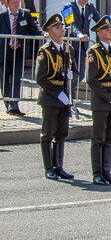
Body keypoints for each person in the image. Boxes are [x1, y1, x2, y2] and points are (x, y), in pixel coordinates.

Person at [35, 14, 74, 180]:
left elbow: (75, 71)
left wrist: (72, 77)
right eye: (57, 27)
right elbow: (41, 78)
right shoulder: (44, 51)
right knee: (47, 134)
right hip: (51, 97)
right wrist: (58, 93)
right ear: (49, 31)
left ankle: (59, 166)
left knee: (61, 133)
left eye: (61, 26)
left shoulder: (68, 49)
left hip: (64, 96)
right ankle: (48, 168)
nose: (61, 29)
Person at [87, 17, 111, 186]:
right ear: (100, 33)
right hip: (102, 99)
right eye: (107, 30)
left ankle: (106, 171)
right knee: (98, 138)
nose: (110, 32)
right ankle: (97, 173)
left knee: (110, 137)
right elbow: (92, 80)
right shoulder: (93, 52)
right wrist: (110, 98)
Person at [0, 0, 42, 115]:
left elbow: (34, 28)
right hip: (4, 52)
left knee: (16, 78)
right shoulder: (2, 16)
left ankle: (14, 104)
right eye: (13, 3)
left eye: (18, 2)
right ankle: (8, 102)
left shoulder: (25, 14)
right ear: (7, 4)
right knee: (4, 79)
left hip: (19, 51)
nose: (16, 5)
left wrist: (43, 34)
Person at [64, 0, 103, 97]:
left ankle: (69, 95)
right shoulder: (68, 7)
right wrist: (79, 34)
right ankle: (67, 96)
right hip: (70, 44)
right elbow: (71, 24)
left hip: (83, 45)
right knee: (69, 72)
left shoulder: (90, 7)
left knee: (80, 73)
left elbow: (99, 21)